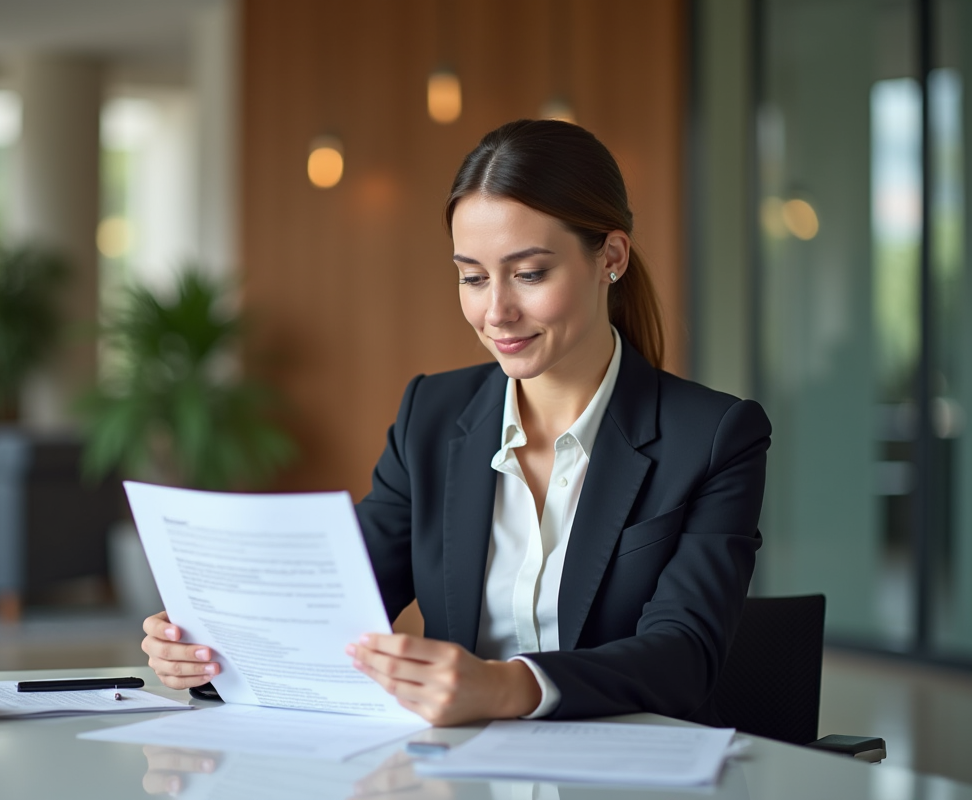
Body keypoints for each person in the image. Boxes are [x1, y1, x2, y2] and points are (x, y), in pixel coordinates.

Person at [142, 119, 771, 728]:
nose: (496, 311)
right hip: (462, 767)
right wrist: (212, 651)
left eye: (529, 274)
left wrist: (506, 686)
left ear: (611, 256)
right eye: (472, 277)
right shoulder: (432, 417)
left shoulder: (715, 436)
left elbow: (685, 655)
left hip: (635, 769)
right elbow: (335, 603)